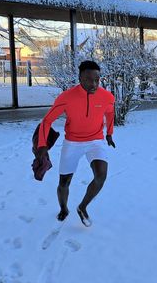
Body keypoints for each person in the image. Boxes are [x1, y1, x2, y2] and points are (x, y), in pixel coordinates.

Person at [36, 60, 116, 227]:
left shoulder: (107, 97)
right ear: (80, 78)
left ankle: (82, 207)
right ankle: (64, 208)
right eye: (88, 79)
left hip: (96, 141)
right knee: (64, 182)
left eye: (97, 79)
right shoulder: (66, 97)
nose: (93, 84)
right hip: (72, 143)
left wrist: (109, 134)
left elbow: (110, 114)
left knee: (101, 177)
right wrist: (42, 145)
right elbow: (47, 121)